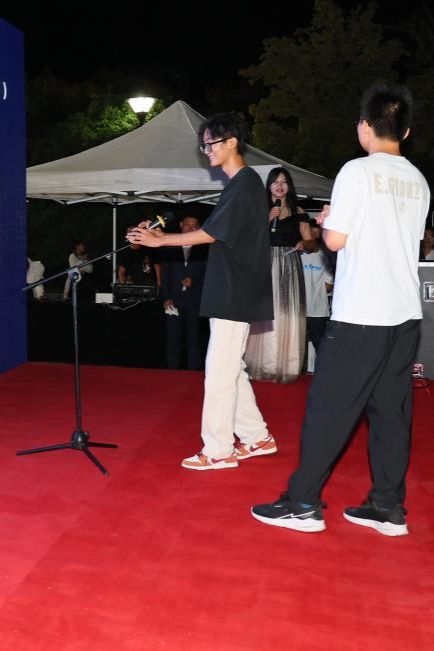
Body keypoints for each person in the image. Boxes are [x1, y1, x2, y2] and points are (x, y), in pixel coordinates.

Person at [252, 83, 429, 536]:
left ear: (364, 127)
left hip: (362, 313)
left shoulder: (357, 171)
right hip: (404, 312)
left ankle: (302, 503)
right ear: (405, 131)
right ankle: (388, 506)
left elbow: (333, 241)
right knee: (391, 412)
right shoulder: (418, 179)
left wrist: (328, 220)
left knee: (329, 407)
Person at [126, 111, 276, 470]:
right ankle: (257, 437)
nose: (206, 150)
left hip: (235, 291)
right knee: (231, 368)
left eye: (211, 144)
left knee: (220, 372)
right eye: (203, 145)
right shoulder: (242, 185)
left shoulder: (244, 184)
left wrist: (159, 241)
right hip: (233, 289)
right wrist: (160, 237)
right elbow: (214, 233)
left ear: (232, 142)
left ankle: (219, 450)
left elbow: (209, 234)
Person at [243, 167, 314, 383]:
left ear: (289, 186)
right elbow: (247, 239)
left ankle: (286, 365)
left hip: (290, 264)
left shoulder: (298, 210)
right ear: (269, 186)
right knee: (267, 312)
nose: (280, 185)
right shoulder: (260, 208)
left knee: (288, 312)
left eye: (284, 181)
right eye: (275, 182)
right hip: (265, 264)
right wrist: (266, 218)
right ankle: (263, 364)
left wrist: (304, 244)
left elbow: (312, 243)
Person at [160, 215, 208, 370]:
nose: (191, 228)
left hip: (195, 301)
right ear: (181, 225)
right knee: (172, 339)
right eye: (188, 225)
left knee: (194, 340)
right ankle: (172, 371)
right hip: (173, 301)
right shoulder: (170, 247)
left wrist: (195, 282)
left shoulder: (204, 249)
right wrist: (166, 298)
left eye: (195, 226)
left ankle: (193, 372)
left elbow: (210, 275)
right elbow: (165, 275)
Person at [300, 221, 333, 374]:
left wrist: (315, 289)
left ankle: (326, 371)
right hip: (297, 308)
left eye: (315, 233)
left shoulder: (325, 257)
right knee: (297, 342)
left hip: (318, 309)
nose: (312, 235)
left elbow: (328, 285)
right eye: (309, 232)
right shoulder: (297, 254)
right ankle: (300, 368)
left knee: (319, 342)